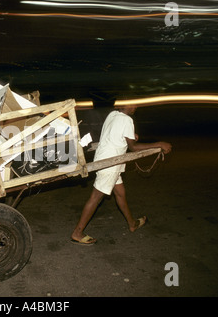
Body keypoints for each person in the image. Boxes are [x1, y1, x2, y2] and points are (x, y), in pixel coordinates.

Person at [70, 105, 172, 245]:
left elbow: (118, 136)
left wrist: (131, 137)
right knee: (96, 197)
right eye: (133, 104)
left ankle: (132, 223)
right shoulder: (127, 120)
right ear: (127, 105)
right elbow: (133, 147)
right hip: (111, 163)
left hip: (107, 159)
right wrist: (159, 144)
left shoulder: (113, 115)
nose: (135, 107)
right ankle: (77, 232)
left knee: (120, 193)